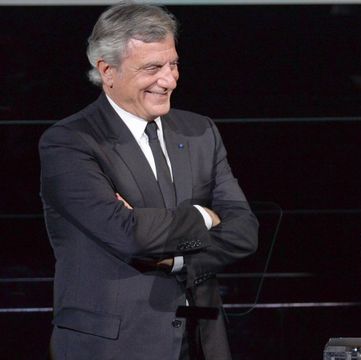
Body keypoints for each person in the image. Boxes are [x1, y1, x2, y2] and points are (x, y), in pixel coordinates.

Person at [39, 3, 258, 359]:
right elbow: (127, 234)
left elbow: (244, 231)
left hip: (202, 340)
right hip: (112, 345)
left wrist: (175, 260)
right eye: (153, 68)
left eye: (173, 64)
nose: (169, 79)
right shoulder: (69, 142)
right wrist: (203, 216)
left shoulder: (200, 131)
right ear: (108, 71)